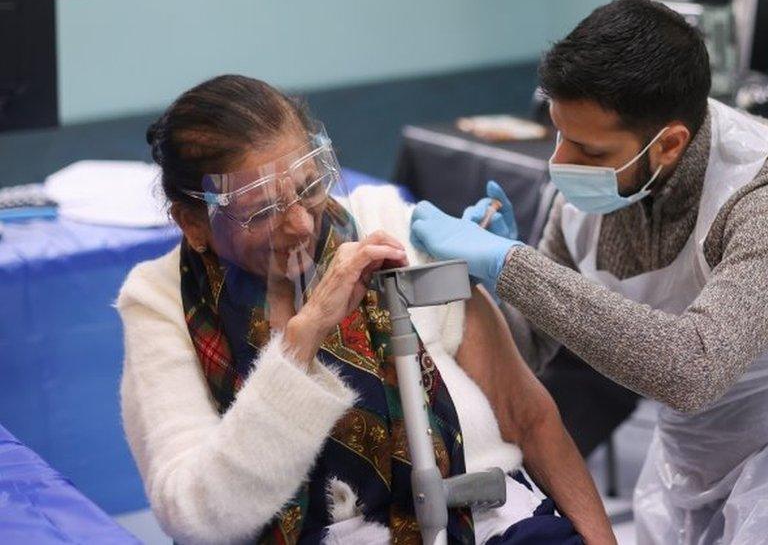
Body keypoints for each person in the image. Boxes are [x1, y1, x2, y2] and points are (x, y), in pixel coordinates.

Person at [409, 0, 768, 544]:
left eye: (587, 147)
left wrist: (514, 265)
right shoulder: (591, 194)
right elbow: (529, 345)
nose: (562, 162)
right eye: (559, 133)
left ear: (670, 144)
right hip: (692, 471)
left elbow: (693, 370)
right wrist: (488, 292)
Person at [117, 74, 614, 545]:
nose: (299, 226)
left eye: (309, 187)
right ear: (193, 223)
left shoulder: (383, 225)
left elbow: (525, 414)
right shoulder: (163, 303)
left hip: (486, 519)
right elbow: (196, 516)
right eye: (262, 211)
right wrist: (303, 337)